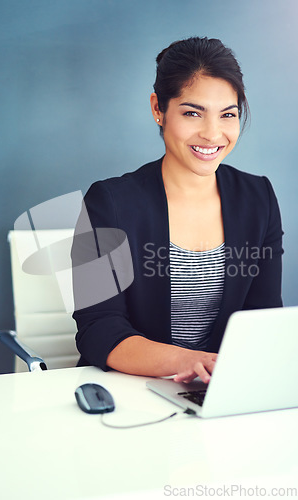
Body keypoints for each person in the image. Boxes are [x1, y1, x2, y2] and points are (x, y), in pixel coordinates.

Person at [72, 37, 283, 384]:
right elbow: (99, 328)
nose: (213, 134)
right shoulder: (108, 202)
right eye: (192, 113)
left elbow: (263, 318)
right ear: (158, 109)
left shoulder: (258, 197)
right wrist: (191, 362)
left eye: (228, 115)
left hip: (219, 388)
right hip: (132, 387)